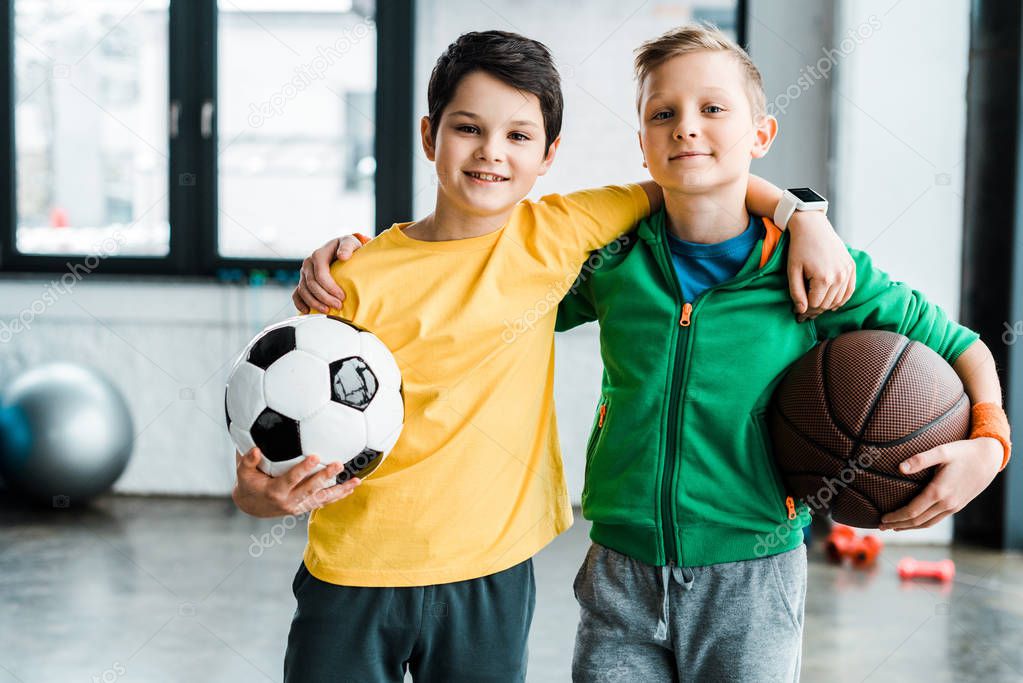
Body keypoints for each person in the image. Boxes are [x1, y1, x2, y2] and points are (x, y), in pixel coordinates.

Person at [269, 29, 855, 683]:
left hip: (488, 576)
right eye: (468, 129)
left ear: (547, 154)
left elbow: (691, 176)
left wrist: (801, 212)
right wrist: (259, 494)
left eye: (518, 136)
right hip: (351, 572)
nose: (491, 152)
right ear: (430, 135)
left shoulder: (558, 234)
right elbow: (284, 434)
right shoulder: (353, 278)